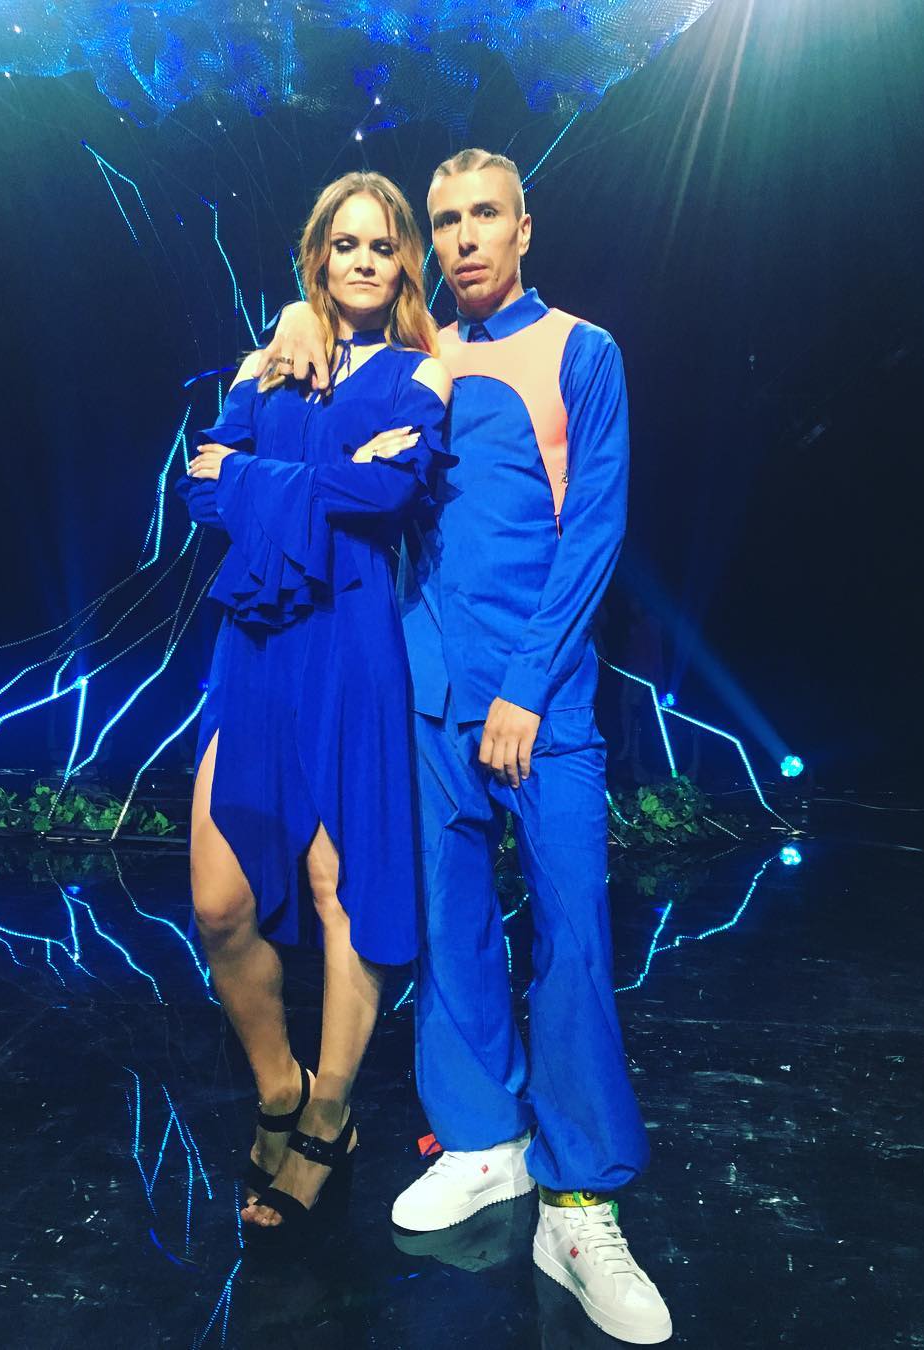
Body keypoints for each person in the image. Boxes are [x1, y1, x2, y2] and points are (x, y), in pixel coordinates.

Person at [259, 149, 673, 1342]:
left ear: (525, 228)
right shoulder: (420, 354)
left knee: (574, 937)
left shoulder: (583, 352)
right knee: (449, 932)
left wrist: (528, 689)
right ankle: (485, 1140)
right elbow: (324, 367)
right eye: (445, 222)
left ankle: (580, 1202)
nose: (464, 238)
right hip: (425, 696)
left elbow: (595, 530)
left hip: (542, 705)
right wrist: (294, 312)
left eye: (485, 216)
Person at [177, 171, 453, 1239]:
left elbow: (394, 493)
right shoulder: (268, 363)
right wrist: (319, 472)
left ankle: (330, 1115)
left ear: (403, 262)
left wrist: (259, 478)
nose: (365, 261)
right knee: (218, 903)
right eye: (346, 245)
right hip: (253, 645)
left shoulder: (421, 372)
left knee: (340, 886)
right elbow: (199, 489)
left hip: (352, 645)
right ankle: (279, 1087)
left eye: (383, 245)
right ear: (319, 258)